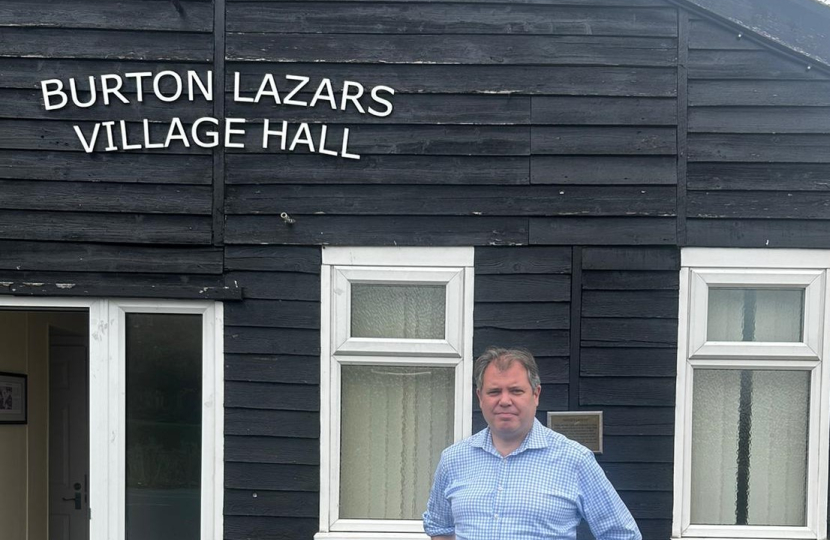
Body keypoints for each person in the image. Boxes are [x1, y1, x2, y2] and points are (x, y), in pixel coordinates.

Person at [423, 346, 641, 540]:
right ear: (480, 397)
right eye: (494, 391)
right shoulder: (453, 459)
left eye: (516, 391)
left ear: (535, 394)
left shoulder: (574, 460)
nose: (505, 400)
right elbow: (440, 528)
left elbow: (621, 534)